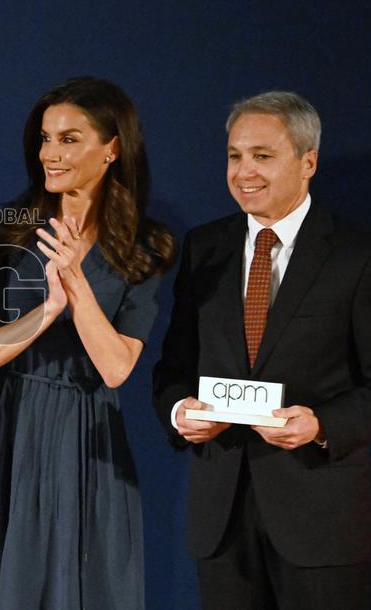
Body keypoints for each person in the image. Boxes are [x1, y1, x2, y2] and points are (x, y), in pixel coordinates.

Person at [0, 77, 176, 609]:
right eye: (45, 138)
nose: (50, 153)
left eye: (69, 139)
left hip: (89, 436)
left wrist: (75, 285)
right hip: (14, 424)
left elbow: (118, 366)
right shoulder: (12, 227)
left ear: (113, 147)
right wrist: (47, 310)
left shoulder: (147, 245)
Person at [153, 91, 371, 609]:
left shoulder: (357, 255)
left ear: (308, 162)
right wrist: (181, 412)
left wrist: (321, 424)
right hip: (222, 519)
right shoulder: (205, 248)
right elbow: (173, 367)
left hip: (322, 520)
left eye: (263, 156)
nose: (243, 171)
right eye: (234, 155)